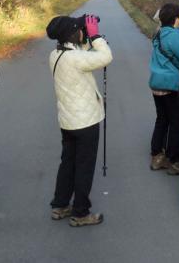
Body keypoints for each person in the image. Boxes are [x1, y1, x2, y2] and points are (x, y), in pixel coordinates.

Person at [46, 14, 113, 227]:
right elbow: (105, 57)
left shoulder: (56, 55)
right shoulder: (75, 59)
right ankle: (81, 212)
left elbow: (80, 54)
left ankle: (60, 204)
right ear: (73, 34)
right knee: (84, 166)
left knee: (68, 163)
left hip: (68, 121)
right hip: (85, 121)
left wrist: (84, 37)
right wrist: (96, 36)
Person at [148, 3, 179, 175]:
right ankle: (174, 160)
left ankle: (157, 156)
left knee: (162, 119)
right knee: (176, 122)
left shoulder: (158, 33)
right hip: (171, 84)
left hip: (156, 83)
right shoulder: (174, 36)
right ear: (176, 19)